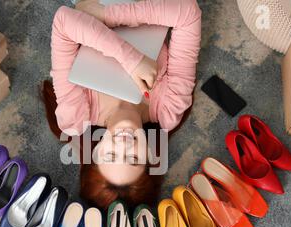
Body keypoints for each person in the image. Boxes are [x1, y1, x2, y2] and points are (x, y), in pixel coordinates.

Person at [40, 0, 202, 210]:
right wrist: (108, 16)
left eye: (110, 155)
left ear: (96, 152)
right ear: (150, 156)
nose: (123, 145)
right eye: (133, 158)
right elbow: (188, 13)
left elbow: (63, 22)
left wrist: (131, 59)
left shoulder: (76, 116)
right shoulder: (169, 108)